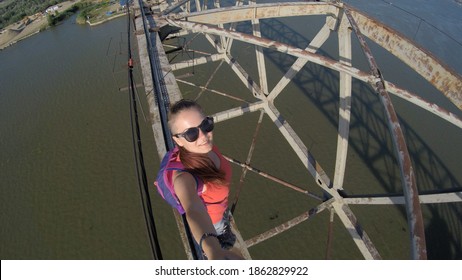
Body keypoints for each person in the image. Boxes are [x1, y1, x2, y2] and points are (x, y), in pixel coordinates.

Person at [164, 99, 241, 260]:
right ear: (178, 140)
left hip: (220, 208)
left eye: (206, 125)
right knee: (220, 230)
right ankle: (217, 240)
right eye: (191, 133)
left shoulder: (206, 149)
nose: (204, 136)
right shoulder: (185, 176)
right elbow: (194, 210)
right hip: (212, 221)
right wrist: (214, 251)